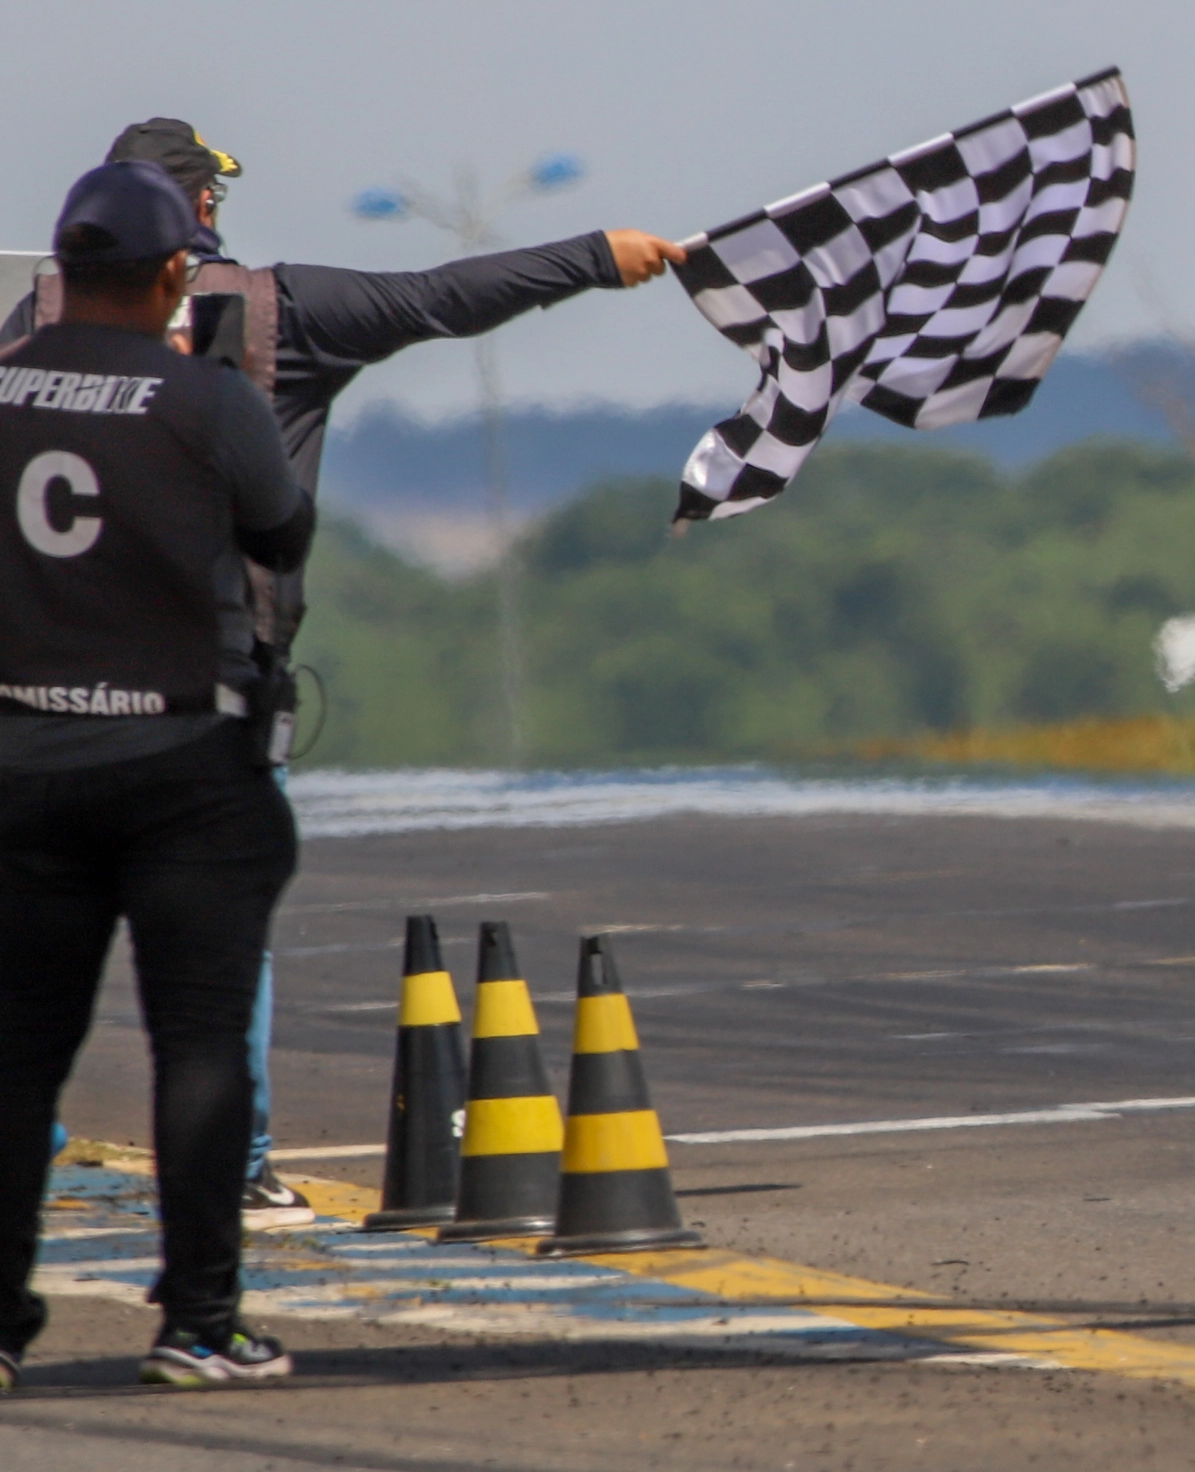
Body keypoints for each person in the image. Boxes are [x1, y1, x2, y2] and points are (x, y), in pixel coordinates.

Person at [3, 119, 689, 1228]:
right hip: (205, 701)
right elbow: (441, 297)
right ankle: (233, 1181)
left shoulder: (30, 330)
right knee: (215, 971)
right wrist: (595, 255)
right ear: (196, 219)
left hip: (34, 700)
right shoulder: (282, 313)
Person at [0, 163, 318, 1388]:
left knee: (19, 1057)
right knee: (198, 1045)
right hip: (184, 762)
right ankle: (199, 1321)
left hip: (22, 761)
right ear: (178, 271)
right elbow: (281, 533)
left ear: (60, 267)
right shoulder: (206, 400)